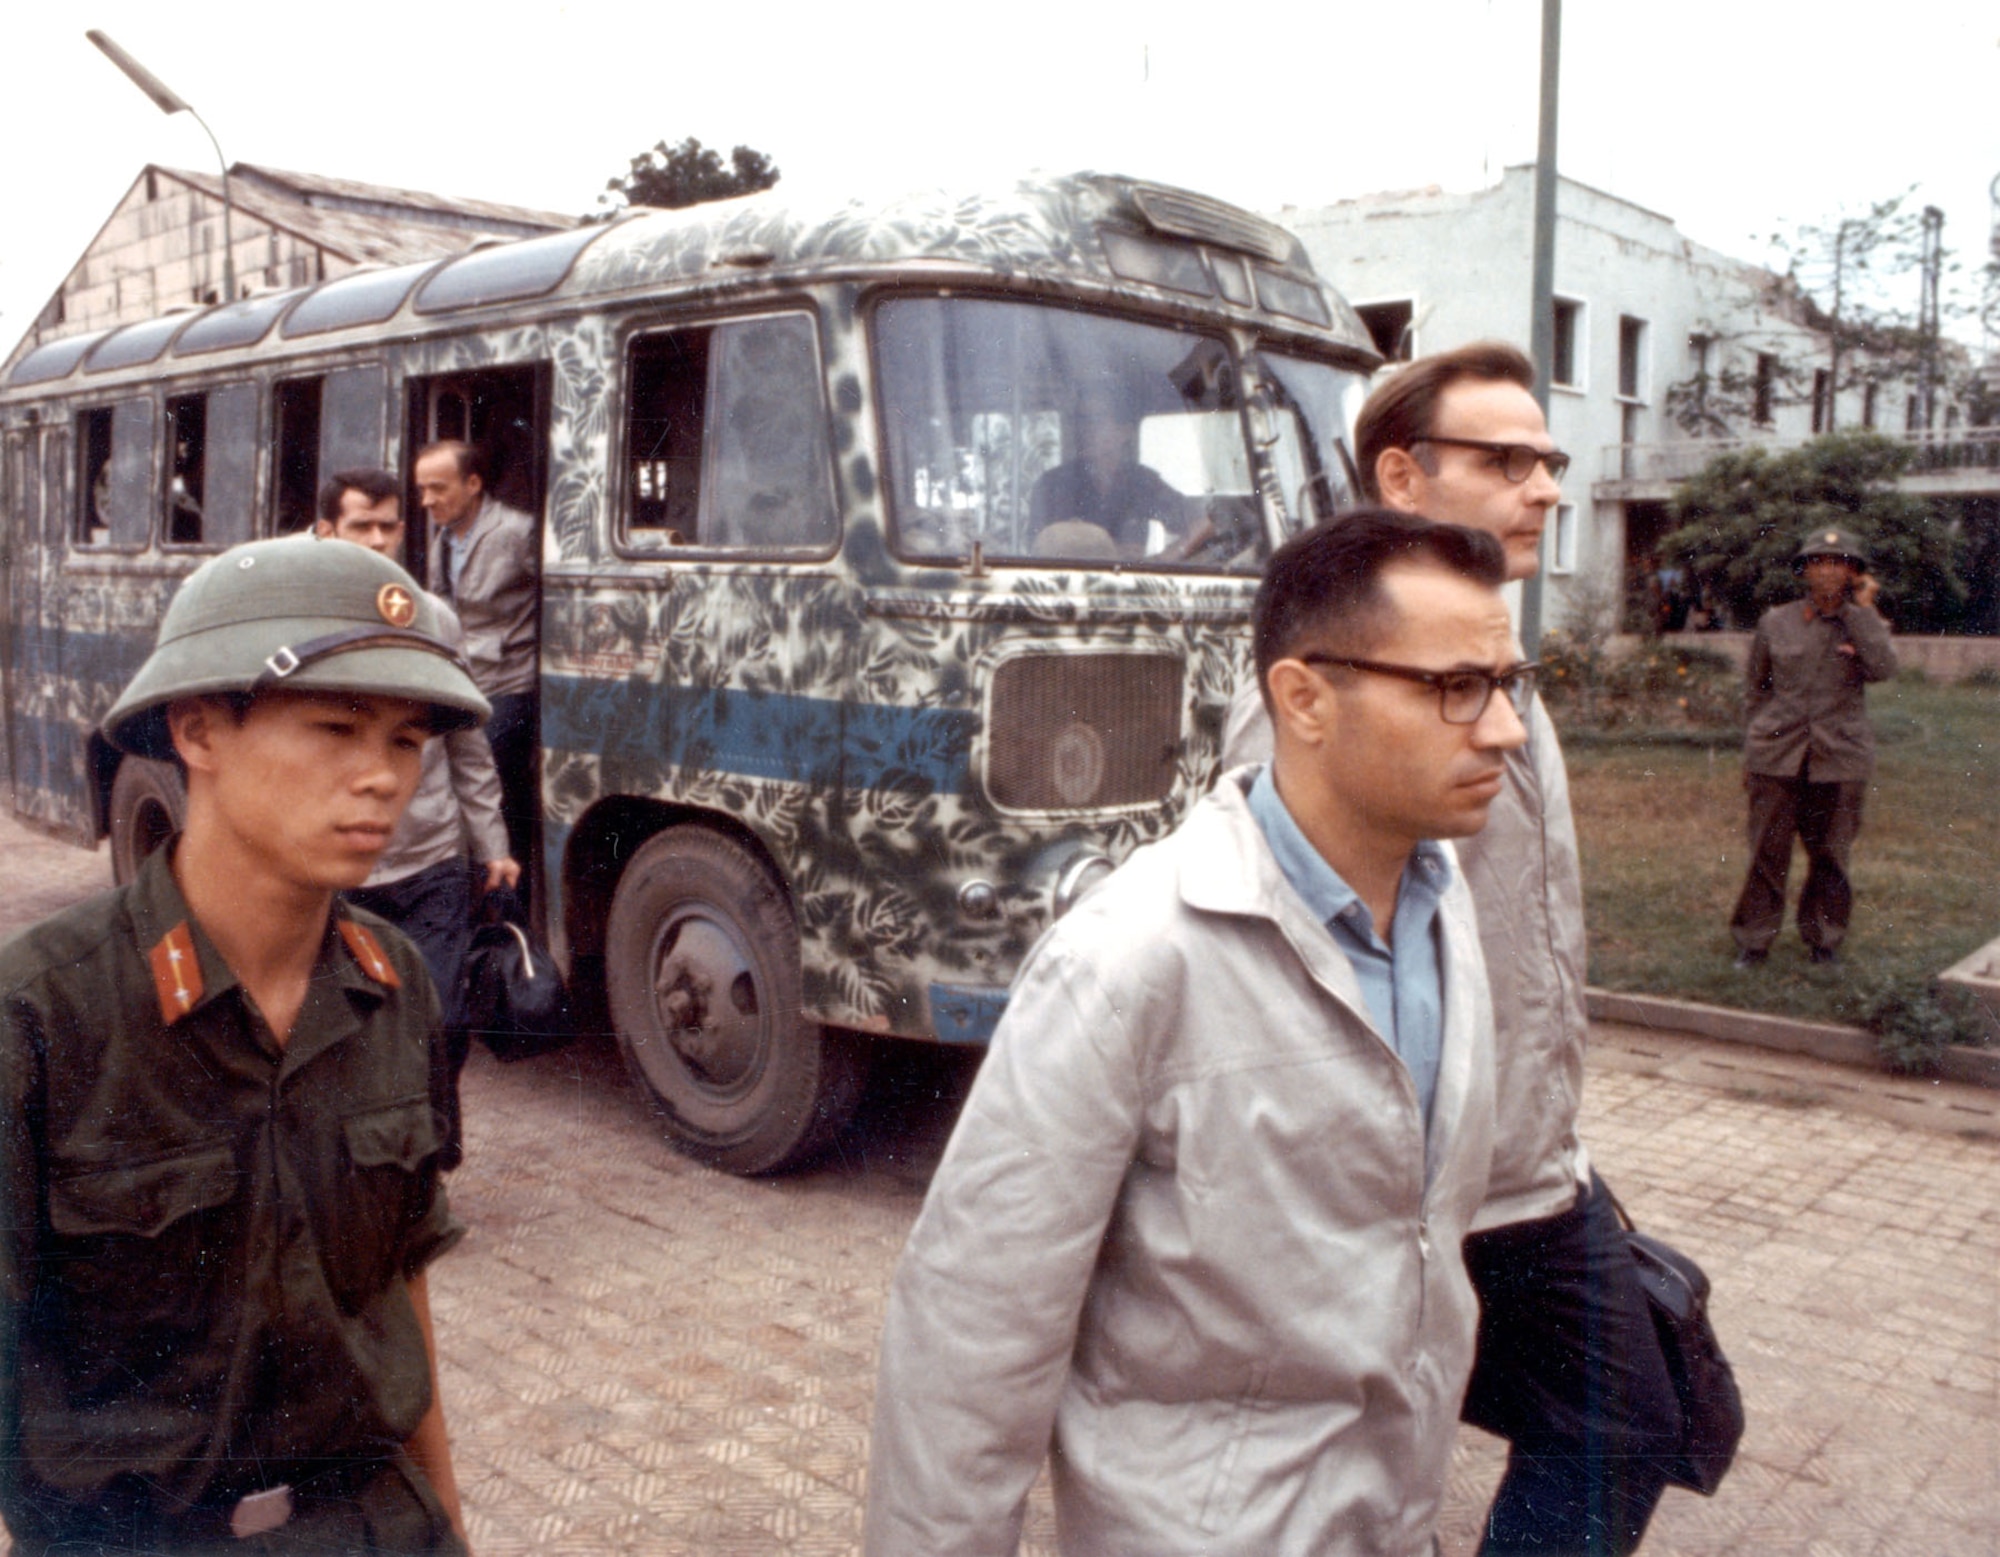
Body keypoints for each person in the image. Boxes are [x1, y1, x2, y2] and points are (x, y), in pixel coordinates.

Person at [867, 511, 1529, 1556]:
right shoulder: (1132, 956)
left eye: (1507, 683)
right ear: (1301, 698)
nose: (1503, 730)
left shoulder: (1441, 908)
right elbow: (972, 1330)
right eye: (1454, 687)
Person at [1224, 342, 1683, 1555]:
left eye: (1548, 460)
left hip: (1529, 1156)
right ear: (1401, 478)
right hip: (1419, 1170)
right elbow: (1270, 950)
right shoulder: (1327, 688)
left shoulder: (1493, 667)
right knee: (1601, 1422)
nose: (1542, 487)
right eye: (1502, 459)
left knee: (1630, 1413)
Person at [0, 534, 487, 1554]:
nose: (381, 778)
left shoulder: (391, 987)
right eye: (336, 727)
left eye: (406, 741)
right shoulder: (44, 1015)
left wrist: (451, 1529)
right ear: (197, 730)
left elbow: (403, 1292)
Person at [319, 468, 522, 1167]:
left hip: (432, 858)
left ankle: (430, 1164)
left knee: (442, 1016)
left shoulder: (435, 620)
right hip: (337, 866)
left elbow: (468, 740)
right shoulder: (303, 625)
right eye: (360, 526)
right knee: (344, 1024)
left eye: (388, 525)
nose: (378, 539)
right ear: (327, 532)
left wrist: (491, 842)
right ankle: (357, 1164)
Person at [1729, 526, 1898, 968]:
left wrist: (1862, 611)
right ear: (1803, 571)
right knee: (1768, 850)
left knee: (1831, 854)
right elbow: (1756, 690)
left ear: (1855, 573)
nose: (1827, 571)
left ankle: (1824, 941)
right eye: (1818, 562)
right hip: (1777, 753)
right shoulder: (1776, 622)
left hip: (1839, 756)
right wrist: (1754, 750)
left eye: (1840, 563)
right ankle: (1753, 941)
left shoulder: (1865, 623)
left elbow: (1883, 668)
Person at [416, 439, 539, 877]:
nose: (427, 500)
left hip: (511, 682)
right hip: (465, 678)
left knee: (484, 775)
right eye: (421, 490)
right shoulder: (443, 537)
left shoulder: (517, 531)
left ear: (473, 484)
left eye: (438, 488)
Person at [1028, 387, 1200, 558]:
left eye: (1096, 420)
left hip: (1132, 584)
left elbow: (1203, 522)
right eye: (1081, 420)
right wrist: (1109, 551)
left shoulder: (1142, 482)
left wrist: (1163, 559)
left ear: (1125, 431)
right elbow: (1038, 550)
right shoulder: (1052, 485)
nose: (1085, 429)